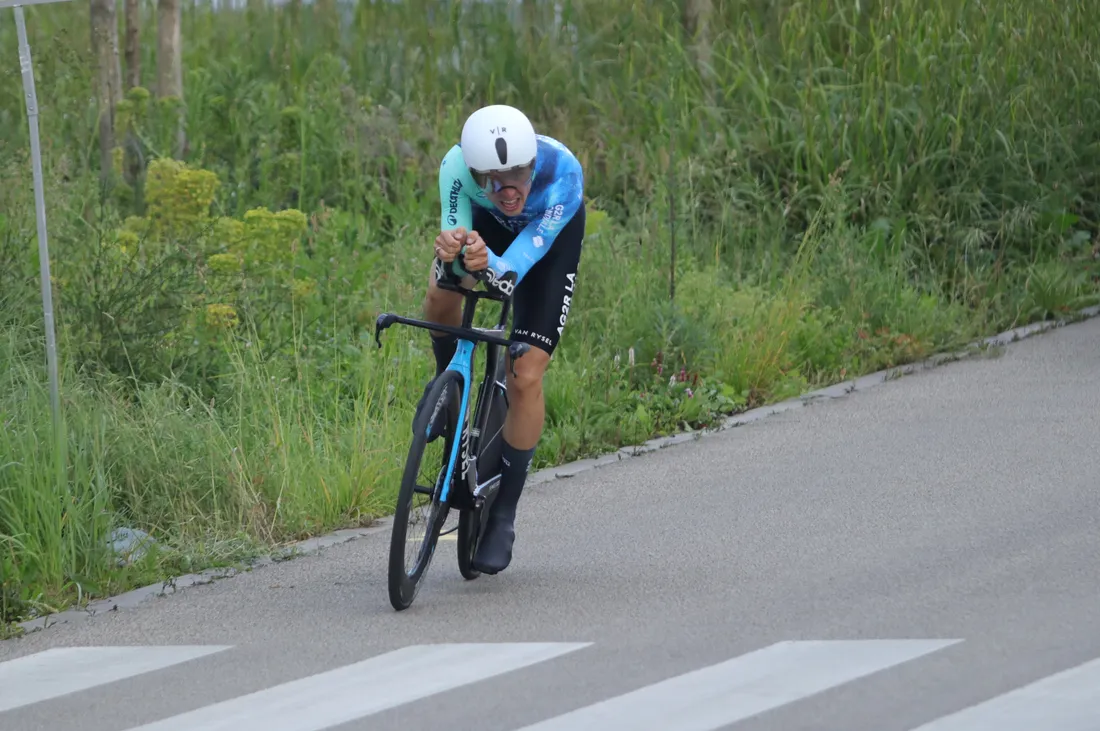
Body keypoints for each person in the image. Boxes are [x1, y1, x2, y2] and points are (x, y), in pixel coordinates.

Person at [418, 104, 586, 575]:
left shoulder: (562, 176)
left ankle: (504, 513)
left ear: (533, 162)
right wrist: (455, 249)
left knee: (526, 373)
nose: (507, 189)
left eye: (517, 174)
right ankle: (445, 390)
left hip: (543, 244)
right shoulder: (455, 168)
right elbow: (454, 235)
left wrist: (487, 262)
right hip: (486, 230)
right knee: (440, 294)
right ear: (473, 172)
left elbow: (512, 271)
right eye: (492, 179)